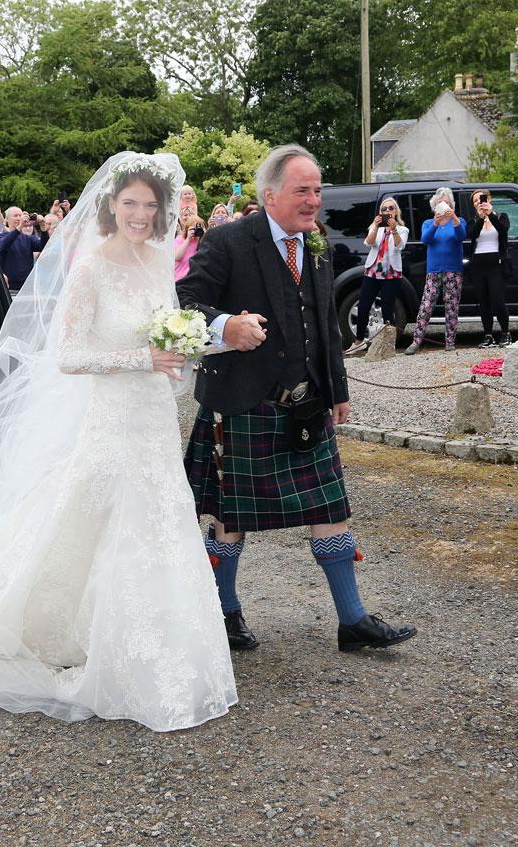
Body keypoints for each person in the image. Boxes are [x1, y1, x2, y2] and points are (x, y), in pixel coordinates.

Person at [0, 152, 237, 731]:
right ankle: (65, 633)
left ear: (160, 213)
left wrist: (181, 357)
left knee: (159, 519)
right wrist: (141, 358)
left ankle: (165, 647)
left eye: (150, 206)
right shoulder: (90, 267)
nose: (140, 214)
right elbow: (70, 356)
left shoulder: (159, 262)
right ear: (110, 205)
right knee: (91, 517)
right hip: (110, 416)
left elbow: (169, 328)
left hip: (152, 415)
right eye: (130, 203)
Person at [177, 144, 418, 654]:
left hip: (306, 401)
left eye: (317, 189)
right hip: (242, 401)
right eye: (302, 190)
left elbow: (325, 324)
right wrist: (226, 326)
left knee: (330, 507)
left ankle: (352, 621)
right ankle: (223, 612)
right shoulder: (228, 242)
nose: (314, 200)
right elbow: (185, 302)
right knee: (229, 518)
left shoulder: (317, 243)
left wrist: (338, 388)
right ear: (269, 195)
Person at [404, 187, 466, 355]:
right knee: (426, 305)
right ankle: (416, 341)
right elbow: (425, 239)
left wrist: (453, 217)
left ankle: (450, 341)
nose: (443, 204)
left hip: (453, 270)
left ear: (451, 204)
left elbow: (461, 236)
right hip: (433, 270)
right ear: (434, 206)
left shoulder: (458, 220)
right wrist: (436, 223)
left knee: (451, 306)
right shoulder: (428, 223)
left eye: (446, 201)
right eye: (440, 202)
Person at [345, 197, 408, 356]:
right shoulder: (376, 227)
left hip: (391, 273)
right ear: (381, 212)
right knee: (363, 306)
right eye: (384, 209)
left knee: (388, 309)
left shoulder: (402, 229)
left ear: (396, 211)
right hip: (372, 271)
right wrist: (374, 226)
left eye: (391, 208)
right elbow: (369, 242)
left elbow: (400, 246)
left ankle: (388, 345)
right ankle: (359, 341)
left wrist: (393, 230)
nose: (387, 211)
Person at [464, 189, 512, 347]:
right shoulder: (473, 221)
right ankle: (488, 335)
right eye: (476, 201)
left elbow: (503, 230)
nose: (479, 202)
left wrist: (490, 215)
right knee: (483, 302)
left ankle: (505, 333)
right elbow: (472, 234)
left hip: (496, 265)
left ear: (489, 199)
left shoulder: (500, 216)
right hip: (478, 265)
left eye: (482, 199)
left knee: (498, 301)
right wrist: (481, 217)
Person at [0, 207, 48, 291]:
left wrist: (43, 228)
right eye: (15, 215)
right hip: (7, 288)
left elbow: (44, 247)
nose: (19, 218)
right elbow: (3, 245)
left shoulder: (29, 238)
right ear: (7, 219)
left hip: (26, 287)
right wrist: (20, 227)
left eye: (20, 215)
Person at [174, 212, 206, 281]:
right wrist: (188, 239)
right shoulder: (180, 239)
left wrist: (204, 236)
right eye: (194, 228)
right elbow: (177, 257)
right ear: (187, 229)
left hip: (196, 281)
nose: (197, 230)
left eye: (199, 227)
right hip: (180, 279)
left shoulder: (204, 242)